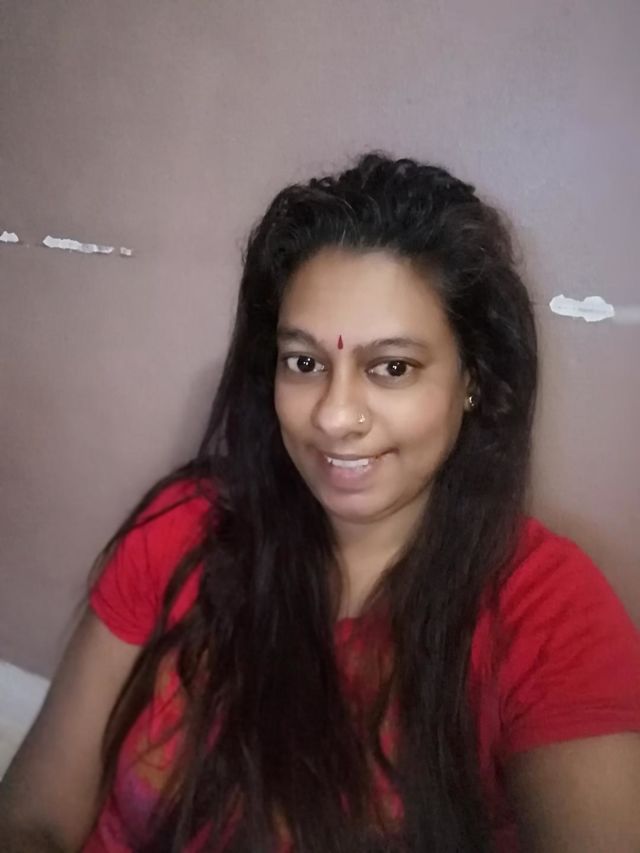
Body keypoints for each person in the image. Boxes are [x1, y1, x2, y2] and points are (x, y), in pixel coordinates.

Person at [1, 153, 639, 853]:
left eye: (391, 367)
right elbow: (34, 818)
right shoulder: (185, 526)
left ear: (474, 380)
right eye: (304, 362)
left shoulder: (546, 612)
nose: (334, 416)